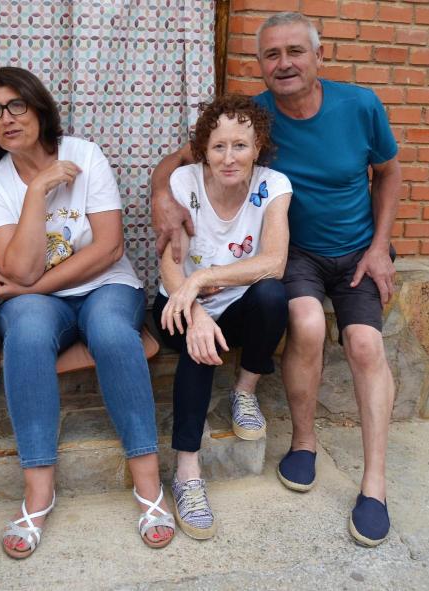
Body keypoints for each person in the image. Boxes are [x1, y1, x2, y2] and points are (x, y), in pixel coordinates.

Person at [151, 12, 402, 547]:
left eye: (295, 51)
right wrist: (161, 202)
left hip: (354, 250)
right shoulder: (247, 115)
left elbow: (388, 172)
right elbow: (178, 166)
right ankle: (296, 445)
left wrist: (381, 246)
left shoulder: (359, 106)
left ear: (319, 55)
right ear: (261, 64)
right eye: (271, 54)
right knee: (300, 320)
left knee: (364, 344)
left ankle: (375, 485)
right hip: (298, 259)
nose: (284, 63)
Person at [0, 66, 175, 558]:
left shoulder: (84, 155)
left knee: (112, 333)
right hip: (37, 303)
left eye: (17, 105)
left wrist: (31, 286)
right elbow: (17, 268)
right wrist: (37, 192)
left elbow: (109, 247)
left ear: (39, 109)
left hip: (107, 285)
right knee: (25, 338)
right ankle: (38, 491)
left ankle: (149, 486)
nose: (6, 118)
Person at [154, 95, 291, 539]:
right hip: (176, 306)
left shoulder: (273, 186)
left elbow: (274, 262)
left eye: (240, 146)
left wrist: (205, 278)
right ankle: (187, 473)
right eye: (218, 147)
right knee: (200, 345)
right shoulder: (184, 181)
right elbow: (170, 263)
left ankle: (244, 391)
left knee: (273, 296)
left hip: (233, 304)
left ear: (258, 147)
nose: (229, 158)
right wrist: (194, 309)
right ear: (203, 150)